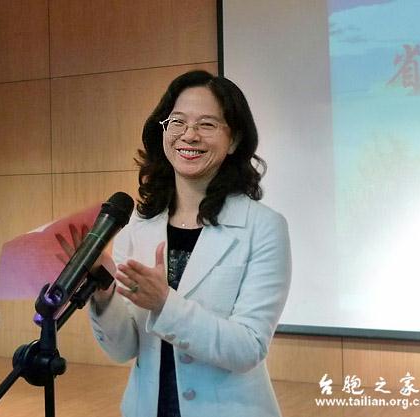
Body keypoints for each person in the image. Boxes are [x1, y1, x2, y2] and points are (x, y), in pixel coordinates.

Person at [60, 70, 291, 417]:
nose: (189, 135)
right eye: (178, 122)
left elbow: (248, 347)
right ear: (163, 131)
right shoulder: (138, 226)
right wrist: (103, 292)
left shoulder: (264, 227)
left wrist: (165, 304)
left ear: (234, 140)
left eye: (207, 124)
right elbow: (123, 350)